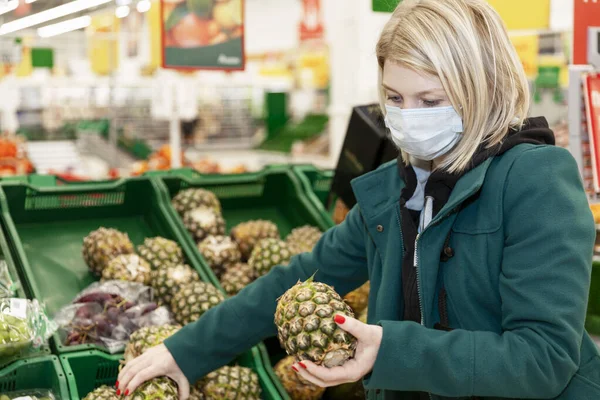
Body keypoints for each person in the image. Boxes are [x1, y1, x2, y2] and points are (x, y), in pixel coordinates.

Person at [118, 0, 600, 398]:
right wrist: (186, 351)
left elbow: (544, 358)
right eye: (394, 98)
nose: (409, 118)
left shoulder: (535, 181)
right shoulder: (395, 188)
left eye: (430, 101)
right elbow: (294, 278)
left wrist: (388, 351)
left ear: (481, 88)